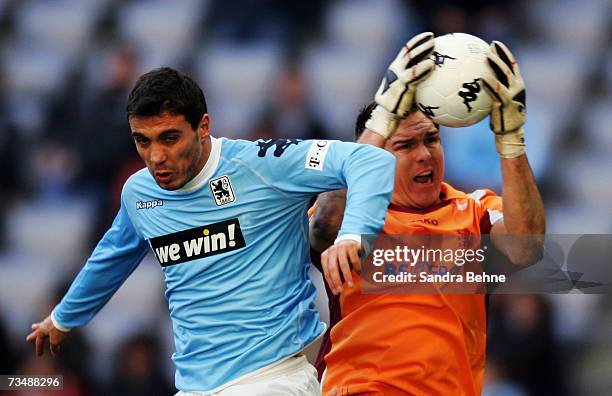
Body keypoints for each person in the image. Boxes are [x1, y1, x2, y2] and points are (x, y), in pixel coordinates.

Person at [26, 67, 397, 395]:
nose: (156, 156)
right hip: (194, 385)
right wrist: (62, 319)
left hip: (273, 376)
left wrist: (353, 236)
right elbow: (112, 257)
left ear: (203, 126)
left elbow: (368, 160)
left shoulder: (263, 165)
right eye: (143, 140)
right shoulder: (138, 194)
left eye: (170, 138)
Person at [310, 33, 546, 395]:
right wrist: (384, 115)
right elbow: (324, 225)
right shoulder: (352, 215)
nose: (424, 154)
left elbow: (527, 247)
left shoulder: (476, 210)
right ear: (375, 159)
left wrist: (511, 137)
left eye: (431, 139)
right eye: (405, 145)